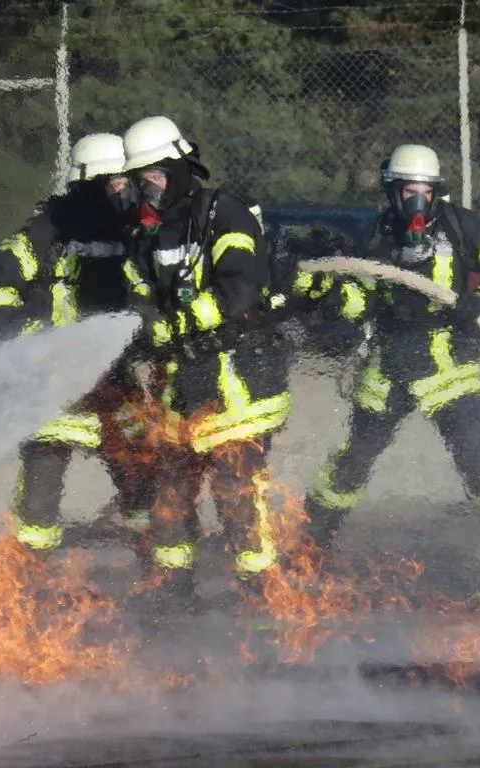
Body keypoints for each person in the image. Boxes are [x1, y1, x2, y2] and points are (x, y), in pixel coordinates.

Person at [296, 144, 480, 573]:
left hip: (448, 360)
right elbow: (360, 294)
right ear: (392, 192)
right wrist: (335, 299)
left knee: (479, 457)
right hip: (390, 362)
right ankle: (312, 542)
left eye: (424, 192)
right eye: (408, 192)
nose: (417, 202)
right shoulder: (377, 233)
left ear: (436, 192)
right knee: (356, 455)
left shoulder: (460, 225)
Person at [118, 116, 290, 605]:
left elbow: (240, 291)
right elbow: (139, 296)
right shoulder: (143, 236)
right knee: (169, 496)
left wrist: (172, 326)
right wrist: (143, 327)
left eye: (154, 173)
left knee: (236, 494)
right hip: (183, 388)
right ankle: (175, 594)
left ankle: (261, 598)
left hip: (239, 384)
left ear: (178, 167)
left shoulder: (222, 213)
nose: (145, 186)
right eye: (138, 178)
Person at [0, 133, 157, 553]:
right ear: (87, 183)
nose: (123, 191)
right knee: (41, 490)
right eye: (114, 183)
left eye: (126, 182)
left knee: (141, 474)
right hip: (52, 382)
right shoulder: (47, 230)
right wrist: (30, 337)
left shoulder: (135, 231)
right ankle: (29, 577)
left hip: (113, 381)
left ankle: (157, 569)